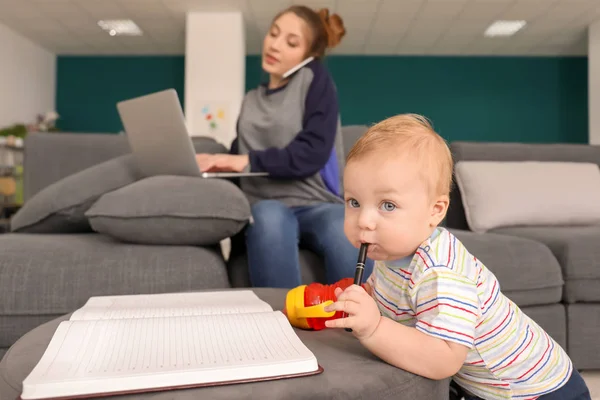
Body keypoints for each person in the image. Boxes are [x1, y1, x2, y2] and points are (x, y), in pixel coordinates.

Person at [323, 114, 591, 400]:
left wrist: (374, 326)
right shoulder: (391, 249)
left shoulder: (441, 273)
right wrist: (363, 298)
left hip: (535, 392)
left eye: (387, 205)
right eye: (354, 202)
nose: (364, 220)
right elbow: (394, 296)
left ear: (435, 211)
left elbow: (443, 359)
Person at [195, 5, 374, 288]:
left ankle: (363, 319)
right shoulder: (251, 99)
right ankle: (281, 323)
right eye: (273, 34)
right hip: (265, 202)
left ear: (308, 55)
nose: (275, 45)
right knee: (268, 219)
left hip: (315, 202)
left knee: (342, 229)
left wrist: (245, 161)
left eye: (291, 42)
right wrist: (215, 162)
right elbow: (241, 151)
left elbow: (311, 152)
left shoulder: (315, 80)